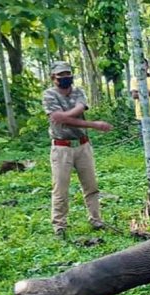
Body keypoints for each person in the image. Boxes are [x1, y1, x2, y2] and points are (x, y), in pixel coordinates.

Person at [42, 61, 112, 237]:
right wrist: (93, 124)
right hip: (61, 147)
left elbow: (71, 112)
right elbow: (62, 117)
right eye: (61, 75)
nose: (66, 78)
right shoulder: (49, 95)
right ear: (53, 78)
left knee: (91, 185)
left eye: (68, 74)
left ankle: (96, 219)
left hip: (82, 145)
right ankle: (59, 225)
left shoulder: (78, 91)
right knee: (60, 188)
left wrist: (64, 116)